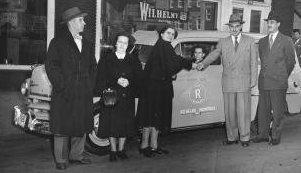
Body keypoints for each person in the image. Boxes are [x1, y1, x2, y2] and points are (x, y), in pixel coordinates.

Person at [45, 7, 97, 170]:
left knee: (80, 125)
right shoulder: (57, 42)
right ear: (72, 22)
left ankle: (76, 155)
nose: (84, 23)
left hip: (83, 91)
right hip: (64, 92)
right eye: (81, 20)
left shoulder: (87, 43)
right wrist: (63, 87)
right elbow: (51, 67)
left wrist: (89, 85)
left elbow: (93, 67)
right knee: (62, 127)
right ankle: (60, 159)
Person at [197, 13, 258, 147]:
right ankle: (231, 137)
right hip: (228, 81)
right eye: (232, 27)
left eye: (237, 26)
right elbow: (214, 54)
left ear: (241, 27)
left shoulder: (250, 41)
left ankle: (245, 137)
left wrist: (253, 79)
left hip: (244, 81)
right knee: (230, 112)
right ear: (229, 28)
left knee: (243, 112)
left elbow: (254, 62)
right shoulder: (223, 42)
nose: (234, 29)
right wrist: (203, 63)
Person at [137, 26, 196, 157]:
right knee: (152, 117)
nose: (170, 36)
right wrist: (190, 63)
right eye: (168, 33)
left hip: (154, 87)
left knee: (152, 117)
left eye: (173, 34)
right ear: (162, 34)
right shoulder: (164, 46)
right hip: (155, 88)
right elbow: (174, 62)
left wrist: (176, 68)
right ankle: (145, 146)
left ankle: (151, 145)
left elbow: (169, 64)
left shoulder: (161, 46)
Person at [94, 32, 142, 162]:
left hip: (127, 97)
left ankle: (121, 150)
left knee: (125, 125)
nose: (122, 45)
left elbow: (139, 77)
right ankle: (113, 151)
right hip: (112, 97)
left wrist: (129, 82)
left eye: (125, 43)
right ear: (115, 43)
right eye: (120, 42)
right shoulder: (106, 60)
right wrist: (116, 81)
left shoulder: (133, 60)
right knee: (112, 124)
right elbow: (101, 78)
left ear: (128, 45)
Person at [253, 10, 295, 146]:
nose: (269, 25)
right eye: (268, 22)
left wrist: (282, 75)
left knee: (277, 112)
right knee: (263, 112)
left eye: (272, 22)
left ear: (278, 24)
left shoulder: (286, 40)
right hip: (264, 81)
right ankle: (263, 135)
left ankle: (276, 136)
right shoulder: (263, 41)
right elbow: (263, 60)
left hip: (278, 82)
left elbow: (291, 62)